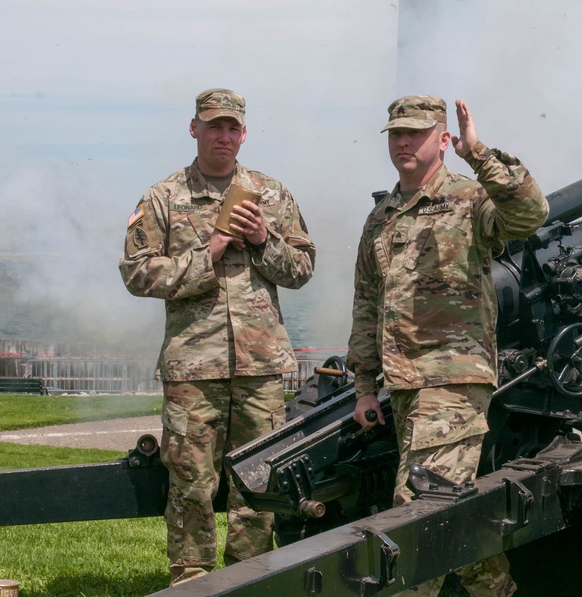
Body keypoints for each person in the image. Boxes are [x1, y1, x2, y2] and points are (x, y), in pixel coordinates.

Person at [347, 95, 549, 596]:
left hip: (455, 379)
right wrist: (364, 387)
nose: (403, 142)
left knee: (415, 515)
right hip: (404, 385)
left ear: (442, 138)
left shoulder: (470, 198)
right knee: (453, 515)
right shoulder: (381, 217)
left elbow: (530, 213)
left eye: (415, 133)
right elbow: (368, 304)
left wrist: (479, 153)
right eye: (396, 134)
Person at [119, 88, 316, 586]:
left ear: (244, 133)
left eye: (233, 128)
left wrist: (262, 240)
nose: (223, 137)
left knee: (259, 478)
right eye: (214, 127)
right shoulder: (163, 197)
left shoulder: (271, 196)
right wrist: (207, 254)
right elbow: (138, 274)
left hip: (261, 366)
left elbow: (301, 268)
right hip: (194, 368)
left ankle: (249, 579)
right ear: (195, 129)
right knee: (191, 482)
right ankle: (192, 579)